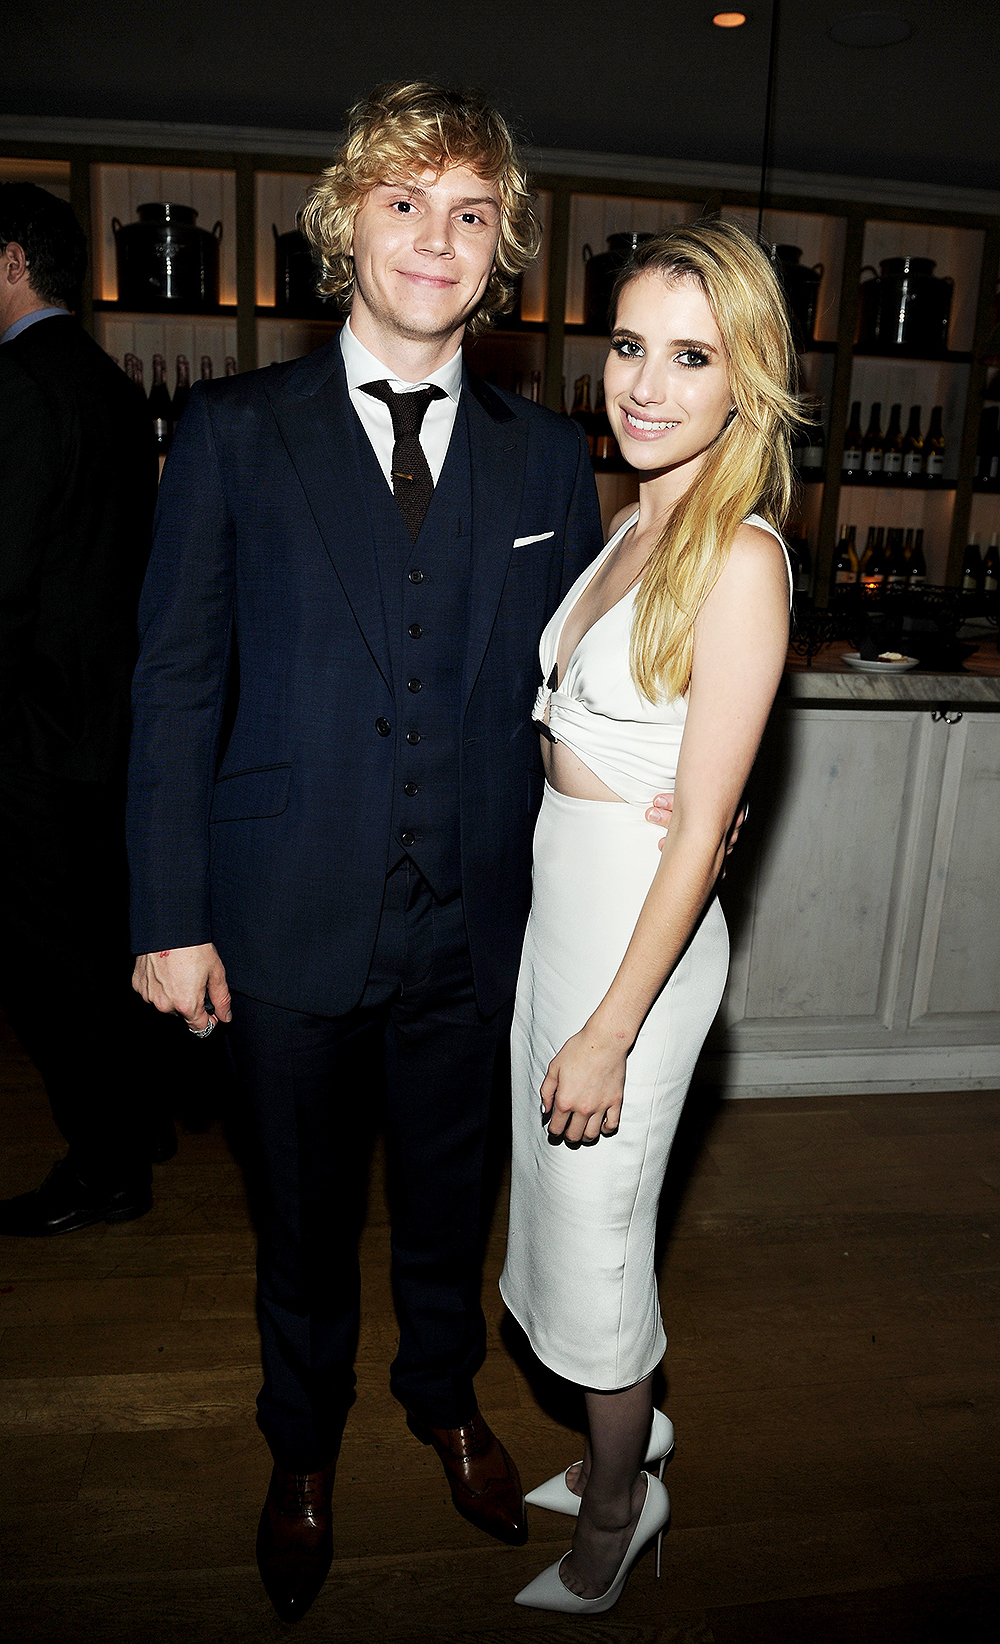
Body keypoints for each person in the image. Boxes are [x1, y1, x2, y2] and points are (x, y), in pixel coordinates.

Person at [126, 81, 611, 1623]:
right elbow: (175, 687)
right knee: (301, 1219)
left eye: (471, 213)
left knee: (452, 1205)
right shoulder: (227, 433)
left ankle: (444, 1398)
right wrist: (169, 913)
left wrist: (658, 790)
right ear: (349, 224)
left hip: (476, 923)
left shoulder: (546, 463)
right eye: (407, 202)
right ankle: (302, 1448)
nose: (438, 237)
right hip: (278, 921)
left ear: (501, 251)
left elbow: (574, 680)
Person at [500, 220, 798, 1615]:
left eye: (693, 355)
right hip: (570, 913)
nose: (648, 383)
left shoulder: (738, 556)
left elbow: (700, 837)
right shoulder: (637, 519)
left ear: (748, 378)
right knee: (559, 1222)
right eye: (629, 345)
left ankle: (621, 1504)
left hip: (636, 945)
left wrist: (612, 1028)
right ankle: (628, 1450)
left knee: (597, 1253)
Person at [0, 183, 161, 1237]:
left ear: (10, 262)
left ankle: (105, 1168)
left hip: (32, 734)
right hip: (112, 729)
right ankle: (129, 1129)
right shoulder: (107, 385)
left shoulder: (15, 383)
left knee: (52, 969)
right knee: (102, 954)